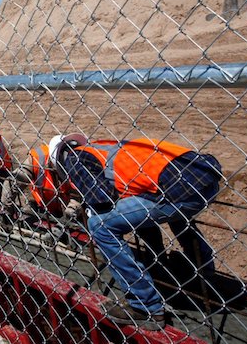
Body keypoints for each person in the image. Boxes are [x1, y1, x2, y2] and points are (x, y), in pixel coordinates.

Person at [50, 133, 221, 331]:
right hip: (201, 175)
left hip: (178, 189)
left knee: (100, 224)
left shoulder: (73, 158)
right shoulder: (105, 146)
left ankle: (145, 307)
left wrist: (89, 208)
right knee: (149, 212)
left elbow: (102, 197)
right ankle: (200, 271)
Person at [13, 135, 80, 219]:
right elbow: (13, 182)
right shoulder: (38, 157)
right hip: (40, 205)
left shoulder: (79, 160)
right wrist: (6, 209)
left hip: (65, 206)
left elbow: (79, 194)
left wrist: (73, 208)